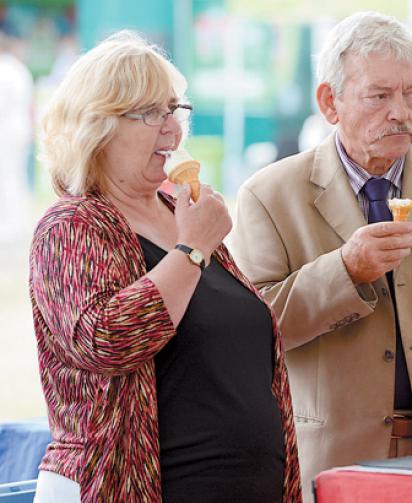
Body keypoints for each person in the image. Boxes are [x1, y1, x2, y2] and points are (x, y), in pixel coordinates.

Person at [29, 31, 300, 502]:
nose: (173, 130)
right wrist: (192, 250)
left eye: (176, 110)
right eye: (152, 113)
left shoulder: (182, 212)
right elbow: (105, 341)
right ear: (100, 127)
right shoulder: (72, 225)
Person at [230, 11, 412, 499]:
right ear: (330, 102)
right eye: (379, 96)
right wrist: (344, 272)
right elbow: (252, 330)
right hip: (338, 461)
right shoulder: (269, 195)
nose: (401, 113)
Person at [0, 29, 33, 240]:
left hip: (7, 129)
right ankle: (17, 221)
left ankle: (9, 224)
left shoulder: (4, 70)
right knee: (17, 174)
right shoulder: (19, 69)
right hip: (20, 127)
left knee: (7, 176)